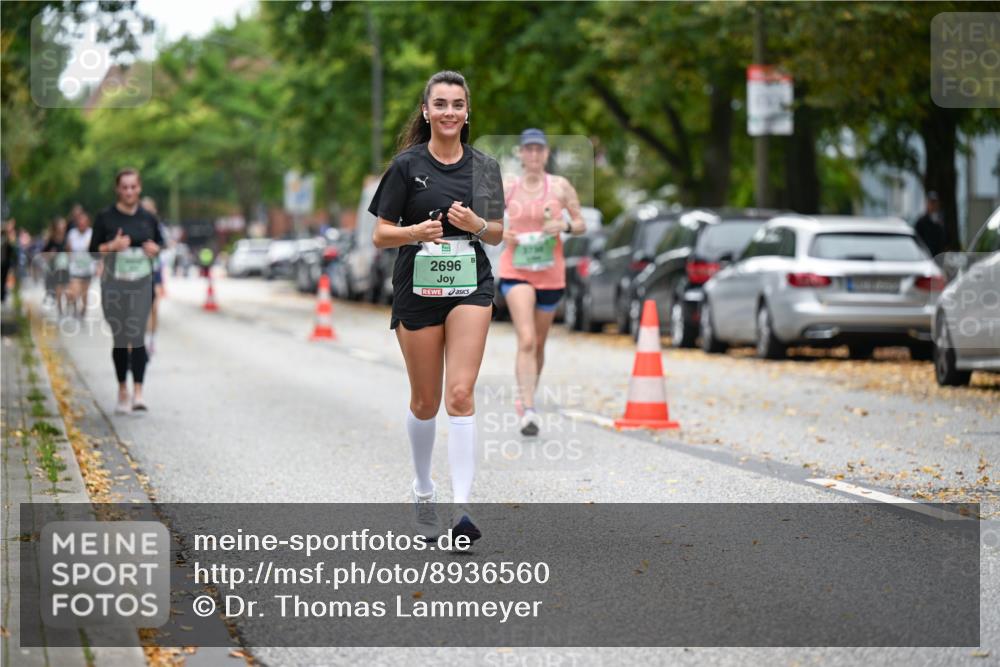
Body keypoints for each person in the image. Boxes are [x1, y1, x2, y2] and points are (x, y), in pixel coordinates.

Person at [370, 70, 505, 543]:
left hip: (470, 285)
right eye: (441, 104)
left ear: (468, 113)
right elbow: (380, 232)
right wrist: (414, 233)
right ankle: (423, 489)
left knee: (461, 394)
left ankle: (462, 510)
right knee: (426, 402)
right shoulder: (406, 166)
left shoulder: (485, 168)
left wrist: (477, 224)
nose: (450, 112)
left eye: (458, 104)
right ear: (426, 111)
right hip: (418, 289)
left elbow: (499, 231)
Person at [499, 129, 585, 436]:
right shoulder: (508, 187)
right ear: (521, 154)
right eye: (528, 150)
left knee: (539, 342)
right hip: (516, 270)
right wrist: (502, 232)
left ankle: (526, 399)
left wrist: (563, 225)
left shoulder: (560, 187)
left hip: (550, 272)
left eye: (539, 149)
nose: (534, 155)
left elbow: (580, 223)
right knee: (526, 339)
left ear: (546, 154)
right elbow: (490, 221)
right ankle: (528, 407)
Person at [89, 168, 163, 414]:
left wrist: (155, 249)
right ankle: (123, 389)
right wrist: (112, 245)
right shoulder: (105, 217)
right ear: (117, 189)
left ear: (139, 188)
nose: (129, 191)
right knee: (121, 338)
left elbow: (160, 245)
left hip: (141, 283)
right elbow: (93, 250)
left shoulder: (148, 218)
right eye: (125, 187)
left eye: (133, 187)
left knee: (137, 334)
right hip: (113, 285)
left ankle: (139, 393)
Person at [140, 196, 167, 356]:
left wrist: (156, 248)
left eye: (150, 209)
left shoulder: (158, 226)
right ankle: (141, 339)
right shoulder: (134, 225)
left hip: (155, 271)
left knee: (154, 307)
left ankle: (151, 340)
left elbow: (164, 244)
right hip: (138, 272)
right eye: (144, 209)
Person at [66, 210, 95, 318]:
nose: (82, 224)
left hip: (87, 268)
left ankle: (83, 312)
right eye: (80, 221)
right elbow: (68, 249)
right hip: (75, 268)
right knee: (73, 292)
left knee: (84, 294)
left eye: (84, 221)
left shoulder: (91, 233)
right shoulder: (72, 234)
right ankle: (74, 309)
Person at [42, 217, 70, 316]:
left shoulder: (67, 237)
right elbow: (44, 253)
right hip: (56, 268)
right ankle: (60, 311)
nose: (62, 226)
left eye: (63, 225)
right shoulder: (52, 239)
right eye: (61, 224)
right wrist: (51, 255)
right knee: (58, 289)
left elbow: (70, 251)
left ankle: (68, 309)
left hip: (66, 266)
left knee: (67, 290)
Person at [914, 191, 946, 258]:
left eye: (935, 202)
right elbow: (917, 239)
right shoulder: (921, 222)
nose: (933, 205)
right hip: (925, 256)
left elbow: (945, 239)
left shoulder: (942, 221)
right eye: (931, 202)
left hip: (939, 257)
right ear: (927, 204)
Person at [1, 218, 16, 305]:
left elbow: (12, 247)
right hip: (4, 262)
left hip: (5, 263)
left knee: (4, 279)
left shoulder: (8, 239)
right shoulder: (5, 239)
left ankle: (2, 296)